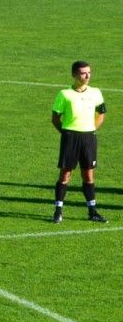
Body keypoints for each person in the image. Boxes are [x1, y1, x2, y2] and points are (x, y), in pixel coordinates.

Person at [52, 60, 108, 223]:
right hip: (71, 137)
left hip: (88, 137)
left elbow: (101, 113)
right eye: (84, 72)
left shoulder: (96, 92)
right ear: (74, 75)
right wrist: (66, 132)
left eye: (89, 72)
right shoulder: (64, 94)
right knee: (65, 174)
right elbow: (55, 118)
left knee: (88, 174)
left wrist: (92, 129)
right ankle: (58, 211)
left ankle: (92, 211)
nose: (87, 75)